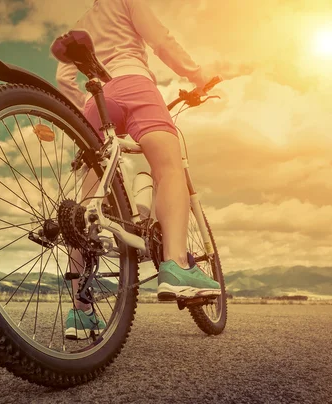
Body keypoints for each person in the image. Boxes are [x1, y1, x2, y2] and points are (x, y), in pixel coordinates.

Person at [54, 0, 220, 340]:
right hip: (134, 82)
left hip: (95, 99)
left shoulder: (83, 21)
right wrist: (197, 75)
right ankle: (176, 264)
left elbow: (63, 76)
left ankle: (80, 314)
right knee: (169, 168)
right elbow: (159, 39)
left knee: (85, 207)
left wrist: (83, 105)